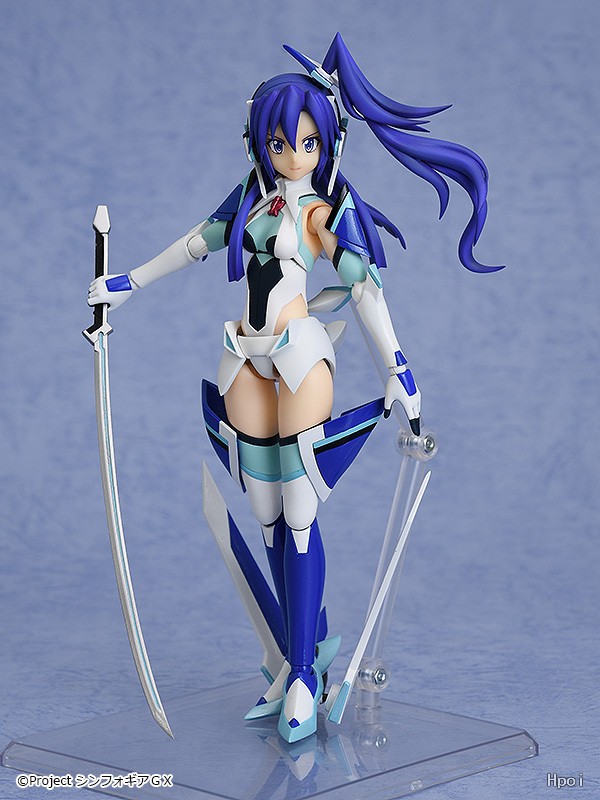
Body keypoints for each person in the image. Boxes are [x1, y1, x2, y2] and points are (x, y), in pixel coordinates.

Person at [88, 33, 502, 743]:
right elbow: (196, 243)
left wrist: (399, 370)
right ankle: (297, 651)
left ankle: (306, 673)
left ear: (327, 141)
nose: (292, 156)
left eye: (305, 143)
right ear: (261, 142)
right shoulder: (251, 199)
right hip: (243, 355)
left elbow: (365, 291)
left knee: (302, 514)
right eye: (280, 144)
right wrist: (127, 283)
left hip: (300, 353)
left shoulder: (324, 212)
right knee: (268, 514)